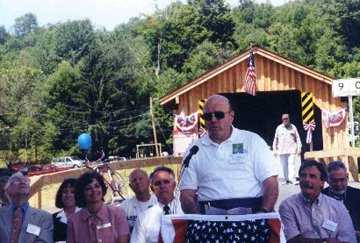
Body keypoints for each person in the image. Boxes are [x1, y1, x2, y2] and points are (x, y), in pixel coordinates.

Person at [180, 94, 278, 214]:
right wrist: (200, 222)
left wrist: (263, 212)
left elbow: (271, 183)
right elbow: (186, 194)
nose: (213, 120)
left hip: (252, 214)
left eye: (219, 115)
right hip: (209, 217)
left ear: (231, 116)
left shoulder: (252, 141)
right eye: (208, 116)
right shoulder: (194, 150)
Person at [279, 160, 356, 243]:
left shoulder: (337, 207)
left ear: (322, 182)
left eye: (312, 176)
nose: (307, 179)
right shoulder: (288, 206)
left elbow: (349, 239)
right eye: (303, 176)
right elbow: (292, 239)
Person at [67, 171, 129, 243]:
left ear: (102, 188)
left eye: (97, 186)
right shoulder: (73, 221)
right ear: (82, 192)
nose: (94, 190)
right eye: (88, 188)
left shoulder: (117, 213)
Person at [130, 166, 183, 243]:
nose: (162, 186)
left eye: (166, 182)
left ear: (174, 185)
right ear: (152, 189)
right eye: (157, 183)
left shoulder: (186, 210)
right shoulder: (144, 218)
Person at [0, 172, 54, 243]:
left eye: (26, 180)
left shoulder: (44, 217)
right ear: (7, 190)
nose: (22, 182)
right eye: (16, 180)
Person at [322, 160, 360, 241]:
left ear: (347, 177)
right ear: (327, 180)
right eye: (334, 181)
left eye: (342, 180)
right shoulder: (320, 197)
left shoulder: (358, 195)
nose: (339, 184)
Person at [272, 113, 302, 184]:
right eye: (283, 119)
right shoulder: (279, 128)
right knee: (284, 166)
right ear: (282, 120)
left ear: (289, 119)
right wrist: (274, 149)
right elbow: (275, 139)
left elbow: (298, 138)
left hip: (291, 149)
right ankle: (286, 179)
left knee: (292, 164)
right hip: (282, 150)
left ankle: (292, 179)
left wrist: (299, 148)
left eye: (286, 119)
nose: (285, 120)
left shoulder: (293, 127)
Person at [53, 178, 81, 243]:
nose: (68, 195)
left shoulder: (87, 216)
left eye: (72, 192)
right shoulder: (52, 219)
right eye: (65, 192)